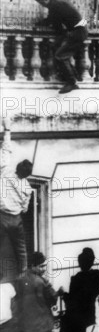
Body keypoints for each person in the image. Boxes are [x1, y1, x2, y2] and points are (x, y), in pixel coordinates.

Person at [33, 0, 88, 94]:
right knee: (59, 50)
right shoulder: (55, 3)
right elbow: (52, 20)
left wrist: (58, 39)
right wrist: (39, 24)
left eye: (41, 2)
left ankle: (71, 82)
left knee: (60, 55)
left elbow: (57, 26)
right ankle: (74, 76)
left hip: (78, 32)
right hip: (78, 30)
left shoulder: (55, 5)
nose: (42, 5)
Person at [0, 116, 32, 281]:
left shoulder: (5, 172)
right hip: (16, 219)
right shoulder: (28, 188)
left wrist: (7, 129)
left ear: (18, 167)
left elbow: (6, 149)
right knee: (21, 249)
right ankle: (23, 274)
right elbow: (26, 208)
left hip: (2, 216)